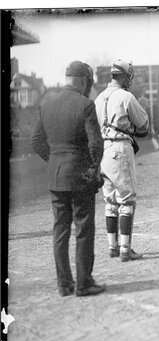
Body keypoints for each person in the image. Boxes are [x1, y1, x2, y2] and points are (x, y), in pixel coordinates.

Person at [31, 61, 106, 297]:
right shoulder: (85, 104)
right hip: (79, 178)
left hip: (56, 178)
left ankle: (64, 285)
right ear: (84, 80)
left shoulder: (47, 103)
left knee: (60, 231)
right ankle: (84, 283)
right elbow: (96, 143)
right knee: (84, 229)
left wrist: (54, 161)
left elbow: (35, 142)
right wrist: (92, 170)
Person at [94, 59, 149, 262]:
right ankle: (126, 249)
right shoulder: (126, 96)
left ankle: (113, 247)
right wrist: (136, 122)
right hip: (120, 148)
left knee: (110, 201)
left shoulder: (99, 98)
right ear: (125, 76)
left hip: (103, 150)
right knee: (127, 199)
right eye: (129, 76)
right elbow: (143, 126)